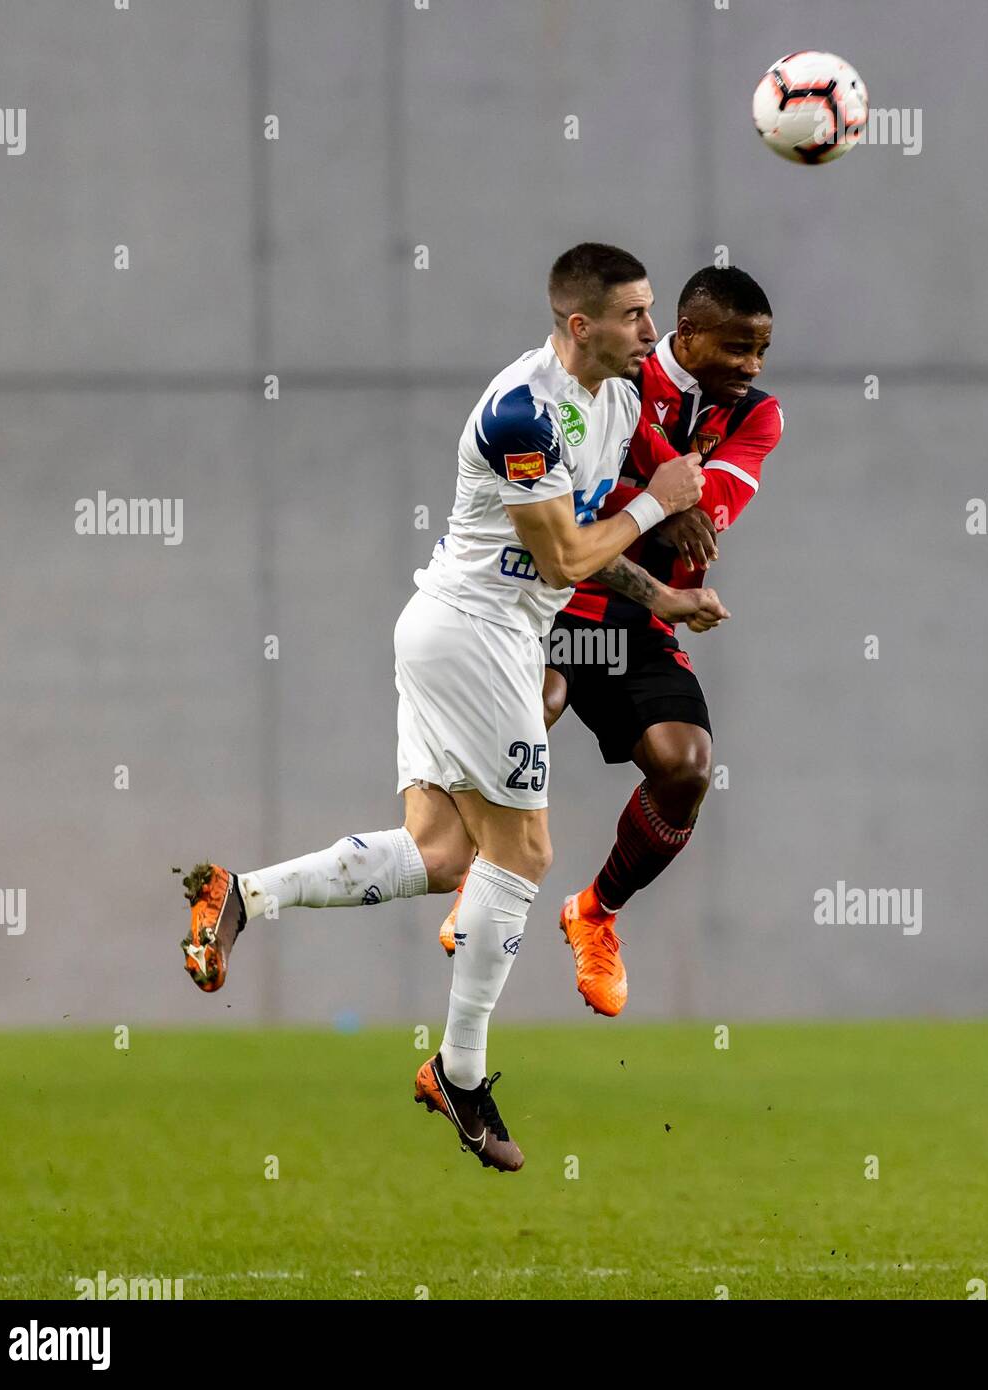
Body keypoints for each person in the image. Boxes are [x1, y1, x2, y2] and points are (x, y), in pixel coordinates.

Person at [179, 244, 729, 1172]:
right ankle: (460, 1071)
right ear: (578, 324)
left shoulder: (620, 400)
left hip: (472, 633)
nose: (652, 332)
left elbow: (584, 542)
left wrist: (663, 599)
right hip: (473, 635)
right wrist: (655, 506)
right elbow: (562, 559)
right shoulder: (524, 412)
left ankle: (243, 894)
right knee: (525, 851)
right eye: (636, 316)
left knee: (443, 857)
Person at [439, 266, 781, 1018]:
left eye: (760, 351)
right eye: (736, 349)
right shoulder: (616, 381)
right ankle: (481, 872)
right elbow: (577, 492)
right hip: (558, 598)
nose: (751, 367)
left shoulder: (757, 414)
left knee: (685, 766)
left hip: (639, 613)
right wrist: (662, 487)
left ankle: (593, 913)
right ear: (687, 337)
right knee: (536, 701)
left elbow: (709, 513)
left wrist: (656, 488)